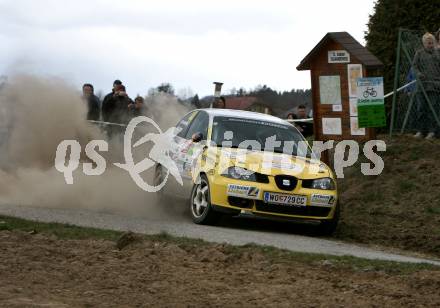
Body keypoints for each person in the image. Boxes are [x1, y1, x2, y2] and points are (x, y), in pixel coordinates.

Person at [412, 32, 440, 139]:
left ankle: (432, 131)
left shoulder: (438, 54)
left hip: (434, 86)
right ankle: (420, 131)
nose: (430, 45)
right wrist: (418, 74)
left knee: (433, 109)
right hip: (422, 86)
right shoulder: (419, 54)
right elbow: (414, 67)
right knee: (421, 108)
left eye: (432, 43)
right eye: (428, 43)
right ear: (424, 43)